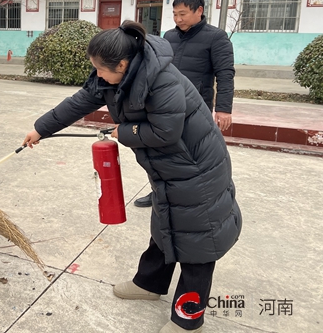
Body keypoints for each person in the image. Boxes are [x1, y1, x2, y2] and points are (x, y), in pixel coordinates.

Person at [22, 20, 242, 333]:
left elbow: (166, 132)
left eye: (101, 69)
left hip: (196, 169)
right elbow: (81, 101)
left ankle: (188, 318)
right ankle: (150, 284)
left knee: (198, 243)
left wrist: (122, 131)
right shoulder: (116, 75)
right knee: (166, 224)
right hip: (169, 169)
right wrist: (41, 128)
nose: (97, 75)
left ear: (122, 64)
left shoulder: (162, 80)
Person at [134, 0, 235, 208]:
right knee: (160, 152)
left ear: (199, 11)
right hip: (165, 104)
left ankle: (198, 196)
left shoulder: (216, 37)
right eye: (175, 14)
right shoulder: (169, 37)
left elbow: (225, 73)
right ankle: (159, 193)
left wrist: (224, 108)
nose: (178, 19)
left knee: (191, 153)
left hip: (196, 106)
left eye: (183, 14)